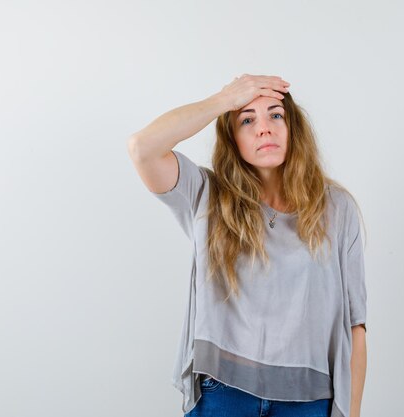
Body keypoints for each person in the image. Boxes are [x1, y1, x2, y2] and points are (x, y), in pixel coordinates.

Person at [127, 74, 367, 417]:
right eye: (247, 120)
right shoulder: (208, 196)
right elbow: (142, 147)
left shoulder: (336, 208)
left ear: (293, 128)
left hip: (308, 400)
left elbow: (355, 324)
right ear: (233, 138)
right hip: (223, 393)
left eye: (276, 115)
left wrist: (352, 413)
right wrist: (224, 100)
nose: (264, 129)